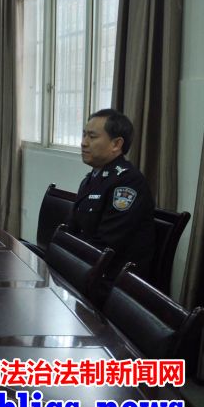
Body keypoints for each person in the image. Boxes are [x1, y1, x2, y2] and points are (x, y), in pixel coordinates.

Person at [68, 108, 155, 283]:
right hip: (87, 266)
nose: (83, 143)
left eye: (92, 137)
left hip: (112, 280)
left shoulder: (128, 183)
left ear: (116, 144)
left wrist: (66, 261)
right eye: (84, 135)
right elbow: (72, 229)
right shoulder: (92, 178)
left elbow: (107, 245)